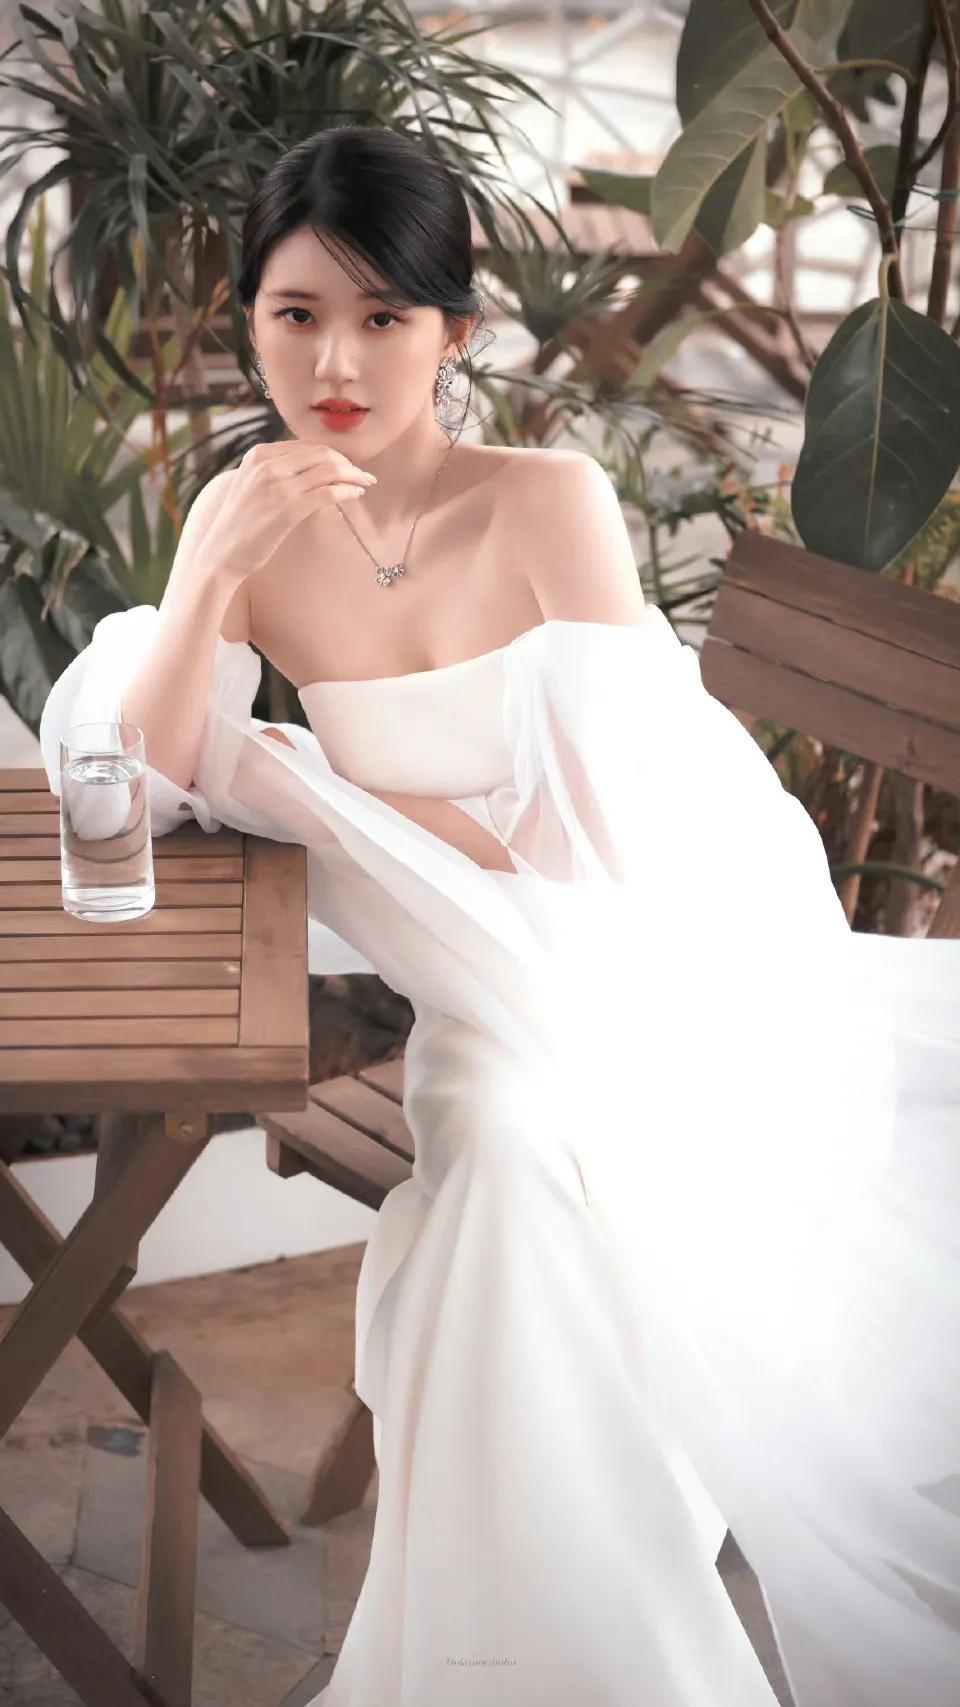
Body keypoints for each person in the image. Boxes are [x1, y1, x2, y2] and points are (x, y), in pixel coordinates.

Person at [39, 124, 960, 1707]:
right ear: (248, 321)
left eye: (383, 317)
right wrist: (208, 583)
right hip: (481, 1004)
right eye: (295, 314)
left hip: (646, 973)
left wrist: (338, 802)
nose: (336, 361)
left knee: (519, 1180)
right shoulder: (249, 518)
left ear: (455, 332)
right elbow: (159, 774)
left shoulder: (549, 504)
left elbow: (608, 843)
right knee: (504, 1148)